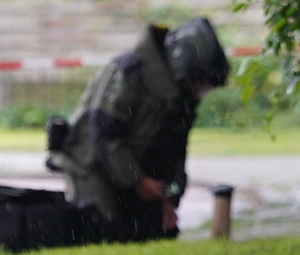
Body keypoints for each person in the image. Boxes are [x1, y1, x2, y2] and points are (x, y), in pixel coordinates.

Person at [48, 17, 229, 243]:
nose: (199, 91)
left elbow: (176, 149)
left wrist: (170, 197)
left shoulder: (181, 98)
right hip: (91, 166)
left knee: (156, 235)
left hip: (137, 169)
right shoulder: (128, 72)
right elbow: (105, 132)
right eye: (198, 83)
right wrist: (136, 181)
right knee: (103, 233)